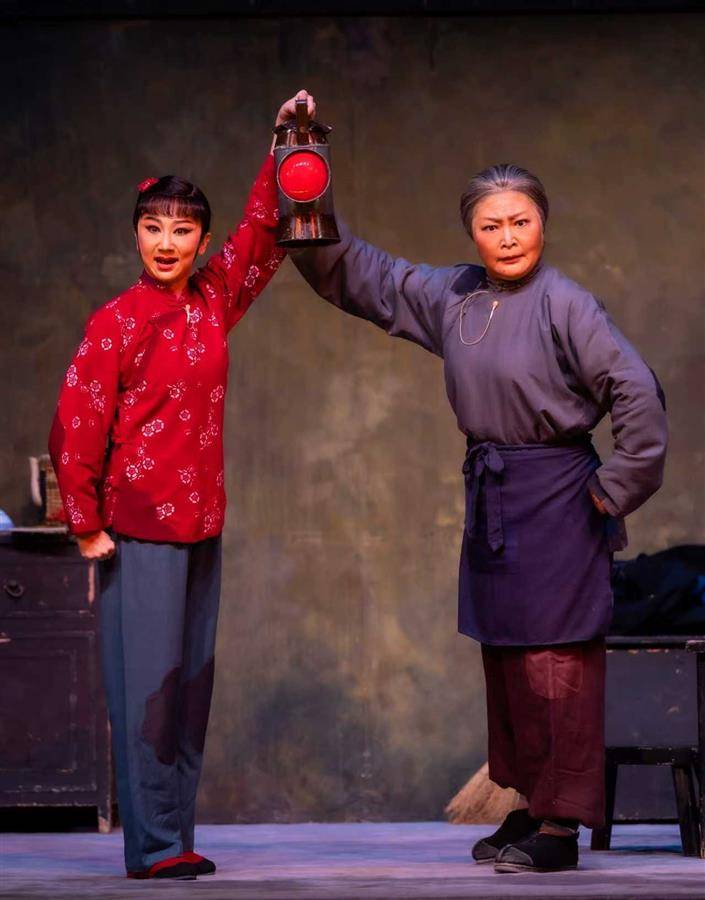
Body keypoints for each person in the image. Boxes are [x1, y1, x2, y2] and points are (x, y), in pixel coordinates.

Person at [290, 153, 667, 873]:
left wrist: (613, 488)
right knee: (508, 658)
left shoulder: (567, 303)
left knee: (556, 663)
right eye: (491, 225)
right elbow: (366, 275)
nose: (508, 237)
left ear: (543, 224)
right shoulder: (455, 295)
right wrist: (301, 182)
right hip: (494, 494)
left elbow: (638, 393)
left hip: (559, 497)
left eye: (520, 221)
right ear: (472, 233)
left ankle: (559, 826)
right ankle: (527, 801)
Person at [48, 90, 315, 880]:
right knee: (148, 693)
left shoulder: (211, 301)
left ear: (200, 240)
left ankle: (173, 838)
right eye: (153, 227)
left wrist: (284, 143)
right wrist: (84, 521)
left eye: (182, 230)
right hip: (137, 530)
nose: (167, 243)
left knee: (188, 691)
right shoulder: (116, 321)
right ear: (136, 234)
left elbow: (262, 233)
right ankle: (154, 846)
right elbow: (75, 421)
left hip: (201, 525)